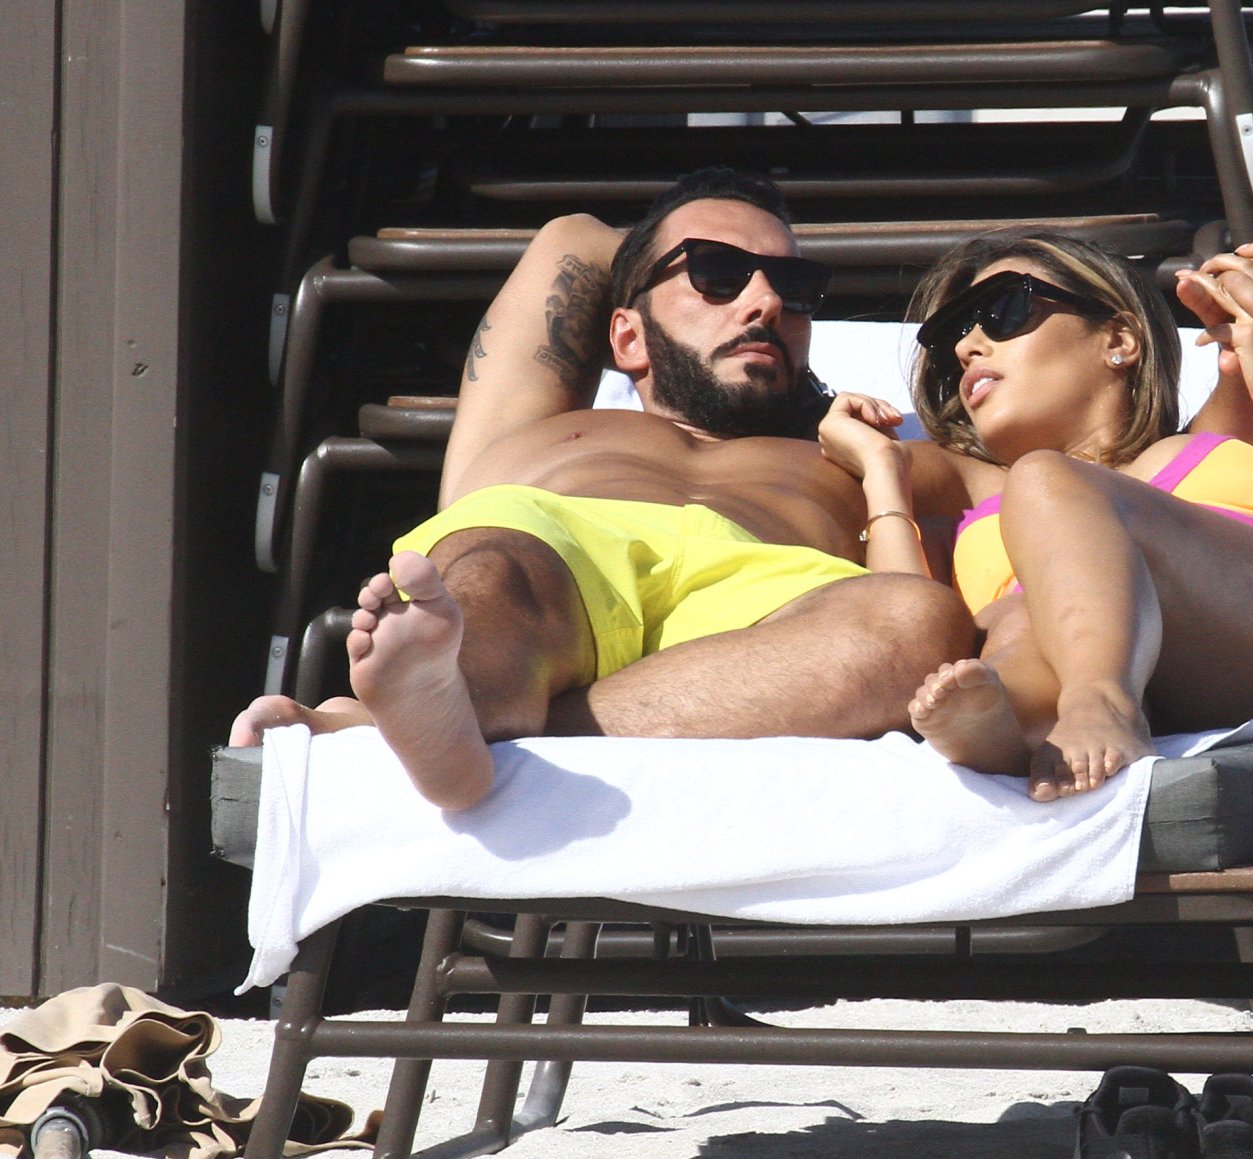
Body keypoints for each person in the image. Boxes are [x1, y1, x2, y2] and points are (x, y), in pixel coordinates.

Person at [229, 168, 978, 809]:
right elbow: (574, 239)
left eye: (794, 286)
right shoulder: (536, 428)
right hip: (557, 549)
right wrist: (663, 256)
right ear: (625, 336)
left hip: (770, 596)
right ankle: (454, 701)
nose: (766, 302)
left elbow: (1034, 477)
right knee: (488, 571)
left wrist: (872, 457)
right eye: (717, 274)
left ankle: (441, 728)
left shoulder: (858, 451)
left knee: (916, 621)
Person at [816, 230, 1253, 801]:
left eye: (1003, 312)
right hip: (1074, 685)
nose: (966, 345)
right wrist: (881, 471)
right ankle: (1015, 723)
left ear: (1118, 340)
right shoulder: (972, 505)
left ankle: (1101, 699)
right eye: (954, 336)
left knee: (1046, 480)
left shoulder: (1231, 447)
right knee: (1020, 614)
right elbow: (900, 631)